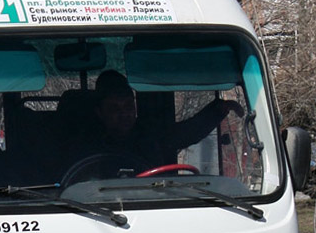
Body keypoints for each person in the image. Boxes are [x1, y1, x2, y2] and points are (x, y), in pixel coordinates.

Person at [73, 69, 243, 174]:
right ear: (100, 112)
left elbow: (188, 132)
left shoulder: (149, 134)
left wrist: (219, 109)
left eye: (128, 106)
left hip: (153, 203)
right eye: (114, 108)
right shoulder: (85, 142)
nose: (124, 114)